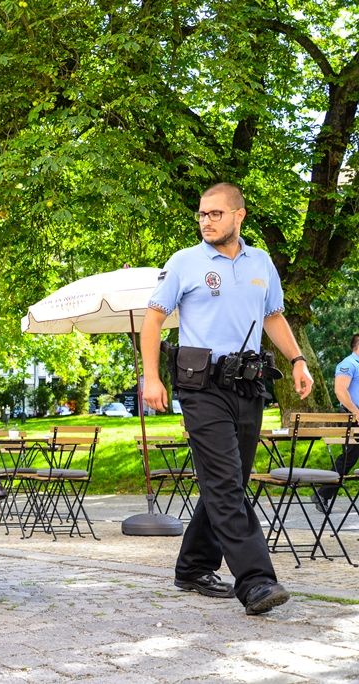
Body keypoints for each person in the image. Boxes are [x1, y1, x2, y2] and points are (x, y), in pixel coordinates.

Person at [141, 182, 312, 617]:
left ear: (239, 215)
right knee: (224, 483)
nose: (206, 221)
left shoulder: (261, 263)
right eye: (202, 214)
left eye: (215, 213)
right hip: (201, 388)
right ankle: (255, 581)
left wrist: (297, 360)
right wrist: (151, 378)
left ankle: (193, 566)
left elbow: (273, 316)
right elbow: (153, 319)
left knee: (229, 481)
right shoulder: (185, 262)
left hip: (248, 384)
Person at [314, 334, 359, 510]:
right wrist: (355, 411)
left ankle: (323, 494)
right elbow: (340, 390)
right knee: (350, 457)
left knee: (350, 457)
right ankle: (322, 493)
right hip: (352, 416)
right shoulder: (348, 364)